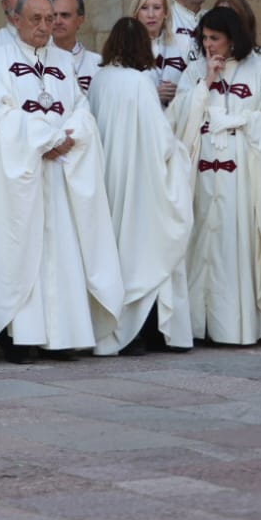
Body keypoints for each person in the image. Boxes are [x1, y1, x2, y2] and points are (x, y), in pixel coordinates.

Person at [0, 0, 121, 363]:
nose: (44, 26)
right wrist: (44, 139)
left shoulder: (63, 61)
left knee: (63, 251)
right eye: (35, 18)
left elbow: (81, 108)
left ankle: (64, 335)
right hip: (22, 176)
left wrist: (70, 136)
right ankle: (22, 336)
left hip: (60, 171)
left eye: (49, 19)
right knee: (23, 251)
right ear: (16, 20)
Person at [170, 6, 261, 345]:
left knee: (234, 238)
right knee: (201, 237)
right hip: (203, 168)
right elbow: (178, 116)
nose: (208, 45)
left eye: (215, 38)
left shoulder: (258, 69)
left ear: (232, 39)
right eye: (204, 38)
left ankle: (233, 326)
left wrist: (239, 121)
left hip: (240, 169)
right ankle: (197, 324)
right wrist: (207, 83)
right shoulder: (193, 71)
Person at [88, 18, 194, 355]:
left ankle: (119, 324)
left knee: (118, 252)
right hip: (141, 182)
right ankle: (144, 331)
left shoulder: (99, 80)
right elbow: (160, 138)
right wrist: (180, 152)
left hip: (109, 177)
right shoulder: (139, 81)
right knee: (145, 252)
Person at [131, 0, 189, 107]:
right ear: (136, 13)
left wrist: (181, 91)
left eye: (157, 8)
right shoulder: (126, 48)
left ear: (166, 12)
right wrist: (152, 94)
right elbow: (119, 94)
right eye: (144, 8)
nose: (151, 14)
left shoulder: (184, 42)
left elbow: (197, 85)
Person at [50, 0, 101, 93]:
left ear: (80, 20)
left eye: (65, 15)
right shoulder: (37, 61)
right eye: (53, 15)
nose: (58, 21)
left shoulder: (98, 64)